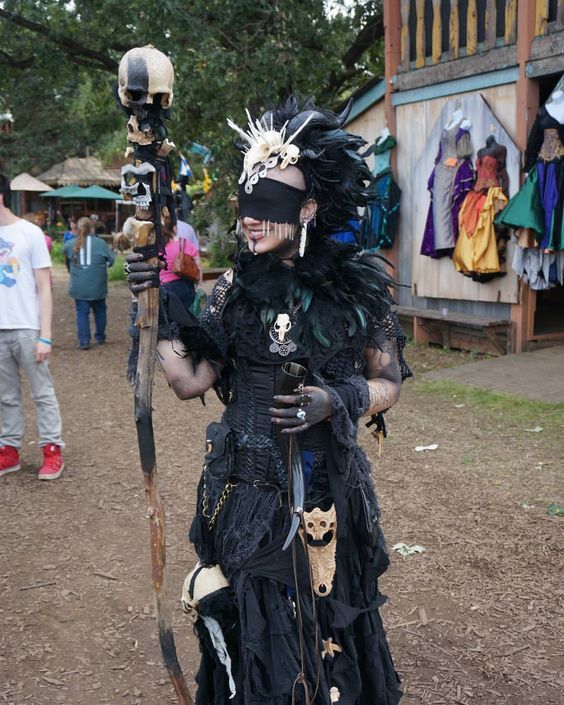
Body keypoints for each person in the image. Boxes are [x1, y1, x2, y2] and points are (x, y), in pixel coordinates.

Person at [126, 99, 410, 705]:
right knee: (256, 633)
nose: (252, 220)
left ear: (308, 208)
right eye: (246, 203)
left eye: (270, 205)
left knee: (327, 631)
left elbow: (389, 384)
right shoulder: (234, 287)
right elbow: (191, 380)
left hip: (326, 496)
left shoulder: (358, 287)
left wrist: (338, 400)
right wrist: (152, 311)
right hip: (246, 495)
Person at [0, 174, 65, 480]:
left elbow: (44, 286)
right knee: (6, 395)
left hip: (27, 327)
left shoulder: (30, 233)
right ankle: (9, 451)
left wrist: (46, 336)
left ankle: (52, 449)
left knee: (42, 393)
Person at [64, 215, 115, 349]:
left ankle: (84, 341)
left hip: (79, 285)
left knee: (82, 312)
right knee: (100, 310)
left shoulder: (69, 244)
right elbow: (112, 261)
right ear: (92, 228)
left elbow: (68, 261)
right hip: (97, 285)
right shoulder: (101, 243)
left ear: (77, 228)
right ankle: (100, 336)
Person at [159, 214, 200, 312]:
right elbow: (198, 267)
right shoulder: (185, 243)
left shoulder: (157, 247)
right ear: (174, 228)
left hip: (165, 289)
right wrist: (196, 285)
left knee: (168, 321)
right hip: (186, 287)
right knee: (186, 319)